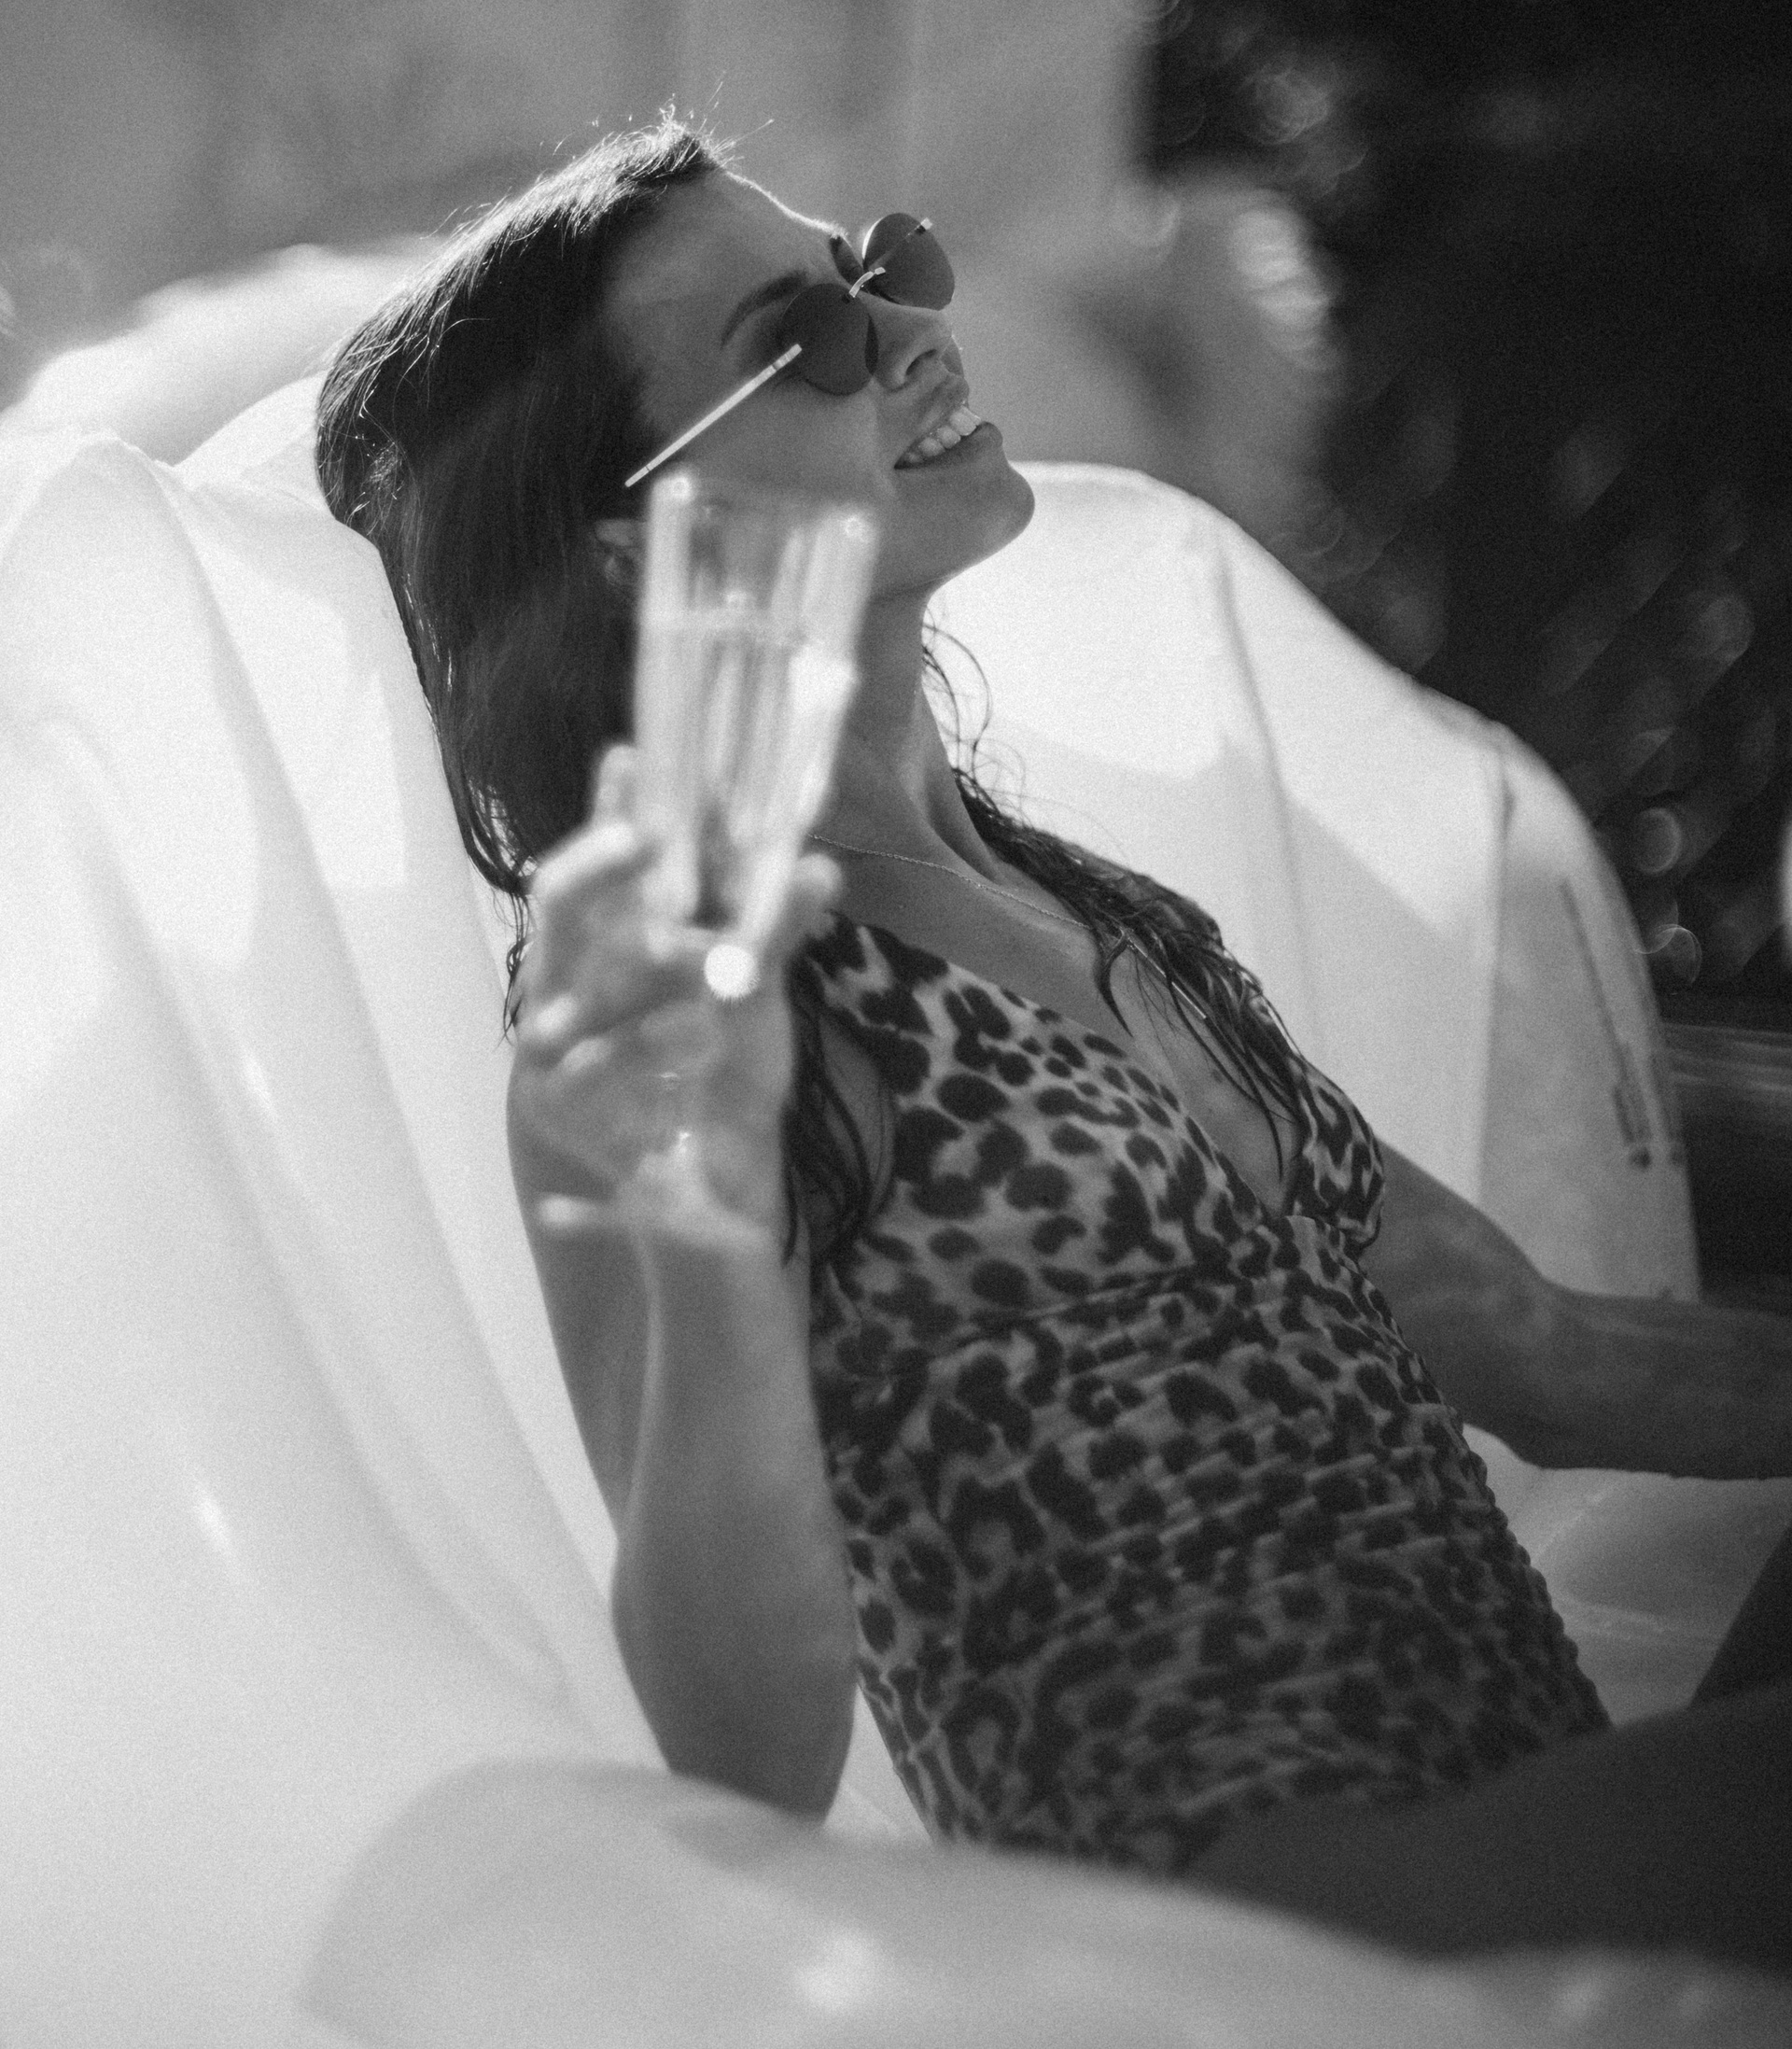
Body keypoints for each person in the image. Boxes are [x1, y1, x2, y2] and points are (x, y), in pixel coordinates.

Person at [315, 117, 1792, 1971]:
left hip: (1522, 1814)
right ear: (636, 549)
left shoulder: (1097, 909)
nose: (912, 330)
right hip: (1259, 1915)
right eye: (809, 338)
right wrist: (697, 1221)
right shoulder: (670, 991)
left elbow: (1553, 1357)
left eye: (883, 266)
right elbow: (749, 1753)